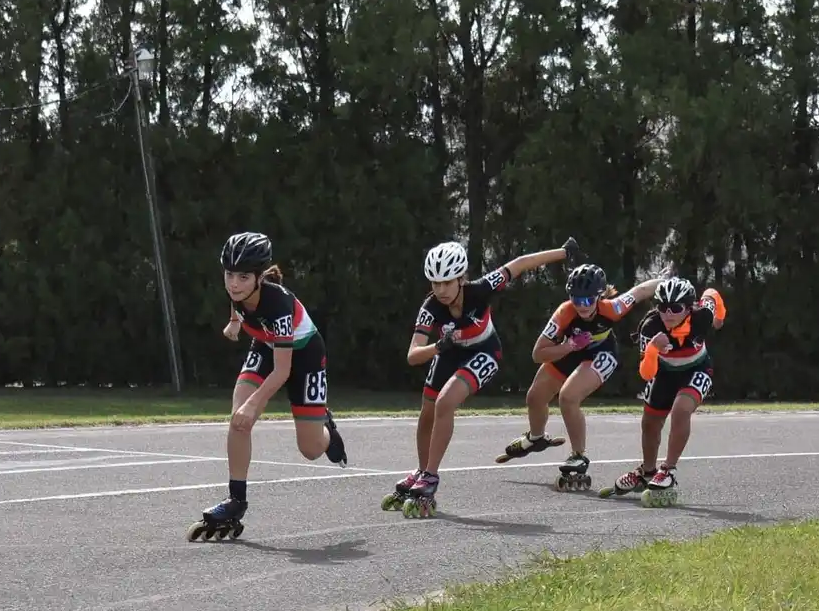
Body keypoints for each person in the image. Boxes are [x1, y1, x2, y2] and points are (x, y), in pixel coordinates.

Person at [381, 236, 585, 518]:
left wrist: (564, 252)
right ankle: (421, 470)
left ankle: (431, 475)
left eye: (447, 282)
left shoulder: (481, 289)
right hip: (448, 352)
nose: (440, 290)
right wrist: (438, 347)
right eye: (435, 283)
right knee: (427, 411)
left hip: (485, 352)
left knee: (445, 402)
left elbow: (521, 264)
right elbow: (413, 355)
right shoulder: (430, 307)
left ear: (461, 279)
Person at [188, 231, 349, 541]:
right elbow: (237, 304)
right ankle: (236, 501)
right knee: (238, 420)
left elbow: (283, 371)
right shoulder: (236, 291)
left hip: (304, 357)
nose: (234, 283)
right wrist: (235, 322)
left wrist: (255, 404)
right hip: (265, 345)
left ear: (259, 278)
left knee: (311, 449)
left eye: (243, 277)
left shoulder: (278, 304)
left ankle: (326, 428)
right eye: (229, 274)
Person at [495, 263, 664, 492]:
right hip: (569, 350)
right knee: (535, 397)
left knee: (568, 397)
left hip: (600, 353)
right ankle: (536, 437)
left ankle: (578, 455)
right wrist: (568, 346)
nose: (581, 306)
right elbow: (538, 354)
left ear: (599, 296)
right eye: (576, 299)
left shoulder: (611, 308)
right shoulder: (564, 313)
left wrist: (668, 284)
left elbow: (641, 291)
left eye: (587, 300)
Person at [598, 276, 727, 507]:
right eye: (662, 307)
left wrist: (719, 319)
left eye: (675, 308)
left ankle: (668, 469)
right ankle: (648, 472)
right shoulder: (650, 327)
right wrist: (652, 349)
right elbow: (647, 374)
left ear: (689, 308)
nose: (668, 314)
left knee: (680, 409)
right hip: (665, 373)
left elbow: (712, 294)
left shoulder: (702, 317)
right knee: (649, 423)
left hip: (697, 369)